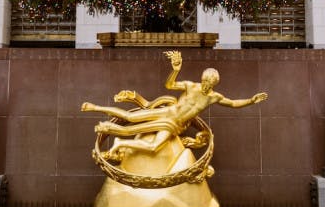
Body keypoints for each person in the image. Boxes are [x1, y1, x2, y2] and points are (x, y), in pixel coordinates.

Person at [82, 50, 267, 162]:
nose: (205, 85)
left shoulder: (213, 97)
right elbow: (169, 85)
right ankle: (95, 107)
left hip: (174, 125)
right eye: (204, 81)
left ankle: (120, 143)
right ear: (202, 79)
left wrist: (251, 100)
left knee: (154, 147)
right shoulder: (190, 86)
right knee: (130, 118)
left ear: (214, 84)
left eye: (209, 83)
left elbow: (233, 103)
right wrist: (175, 70)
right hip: (167, 112)